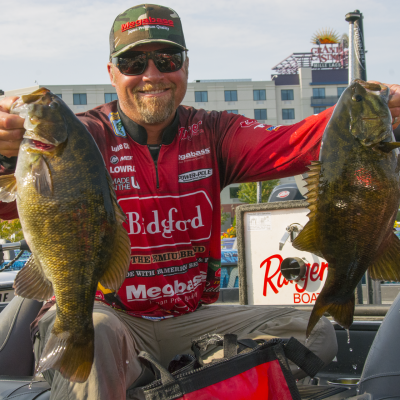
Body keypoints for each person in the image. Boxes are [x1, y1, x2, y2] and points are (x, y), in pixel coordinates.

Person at [0, 4, 399, 400]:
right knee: (98, 335)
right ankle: (179, 379)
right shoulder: (84, 137)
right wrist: (5, 155)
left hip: (188, 321)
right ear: (112, 73)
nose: (151, 74)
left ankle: (155, 382)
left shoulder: (212, 131)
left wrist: (366, 117)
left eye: (167, 58)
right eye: (133, 61)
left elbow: (291, 145)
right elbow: (13, 204)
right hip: (104, 313)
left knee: (316, 333)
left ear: (185, 67)